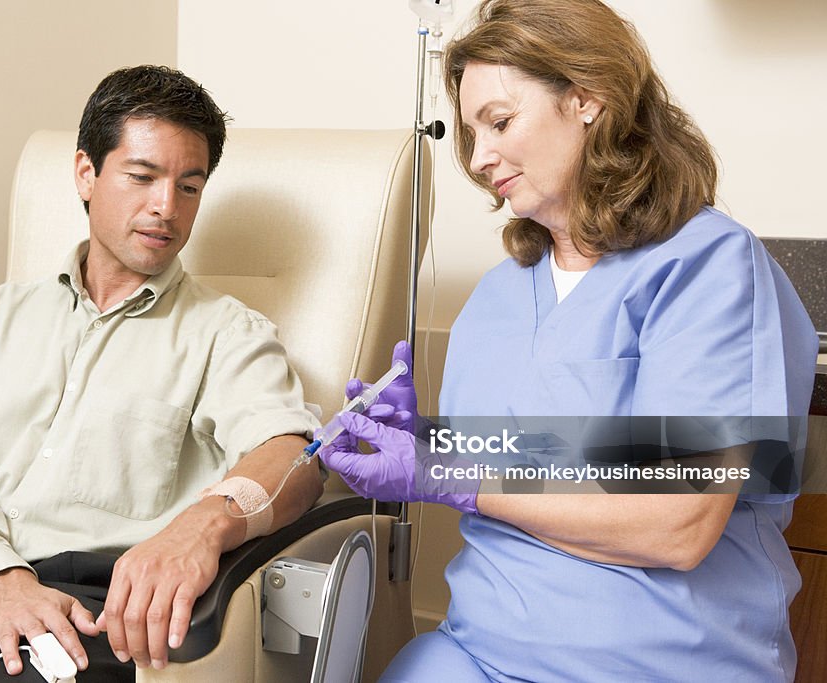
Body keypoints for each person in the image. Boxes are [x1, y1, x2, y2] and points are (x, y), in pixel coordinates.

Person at [319, 1, 818, 681]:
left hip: (661, 661)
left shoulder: (706, 267)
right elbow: (540, 454)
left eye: (499, 122)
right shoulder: (498, 296)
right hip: (478, 651)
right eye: (470, 132)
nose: (478, 155)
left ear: (587, 99)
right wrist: (427, 438)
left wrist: (448, 470)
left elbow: (679, 522)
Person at [0, 65, 323, 682]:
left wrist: (202, 526)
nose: (166, 208)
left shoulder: (227, 333)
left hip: (86, 613)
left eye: (190, 186)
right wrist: (1, 577)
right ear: (86, 173)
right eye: (142, 177)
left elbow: (291, 454)